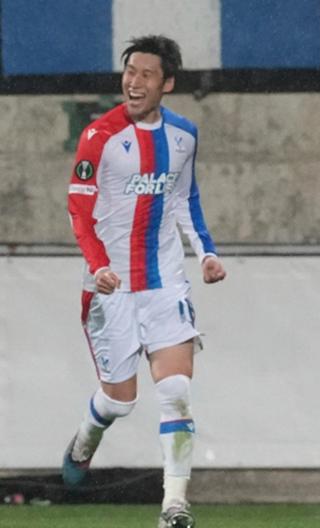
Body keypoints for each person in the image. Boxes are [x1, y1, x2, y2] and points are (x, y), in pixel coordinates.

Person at [64, 34, 225, 528]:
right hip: (110, 286)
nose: (133, 82)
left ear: (166, 84)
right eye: (129, 72)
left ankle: (174, 506)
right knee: (120, 401)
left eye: (146, 74)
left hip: (164, 283)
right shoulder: (99, 137)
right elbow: (79, 211)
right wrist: (99, 265)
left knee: (176, 390)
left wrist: (207, 253)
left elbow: (185, 199)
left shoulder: (184, 136)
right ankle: (86, 437)